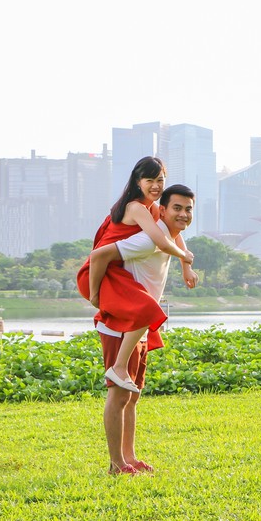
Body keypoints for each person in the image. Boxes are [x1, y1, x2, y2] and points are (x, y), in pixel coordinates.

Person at [85, 184, 198, 476]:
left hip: (140, 325)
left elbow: (179, 242)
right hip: (121, 323)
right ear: (161, 210)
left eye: (188, 209)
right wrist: (95, 296)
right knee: (119, 394)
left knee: (132, 396)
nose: (183, 214)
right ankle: (115, 464)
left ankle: (130, 457)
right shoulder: (148, 240)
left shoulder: (168, 237)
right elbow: (99, 256)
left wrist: (186, 265)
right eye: (176, 208)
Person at [77, 157, 196, 392]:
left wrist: (185, 266)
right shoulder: (136, 208)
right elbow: (162, 241)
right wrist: (94, 295)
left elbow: (173, 235)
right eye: (149, 180)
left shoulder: (152, 209)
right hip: (99, 273)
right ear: (138, 181)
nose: (156, 186)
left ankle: (120, 368)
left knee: (147, 309)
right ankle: (119, 368)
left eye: (160, 180)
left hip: (115, 270)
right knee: (148, 309)